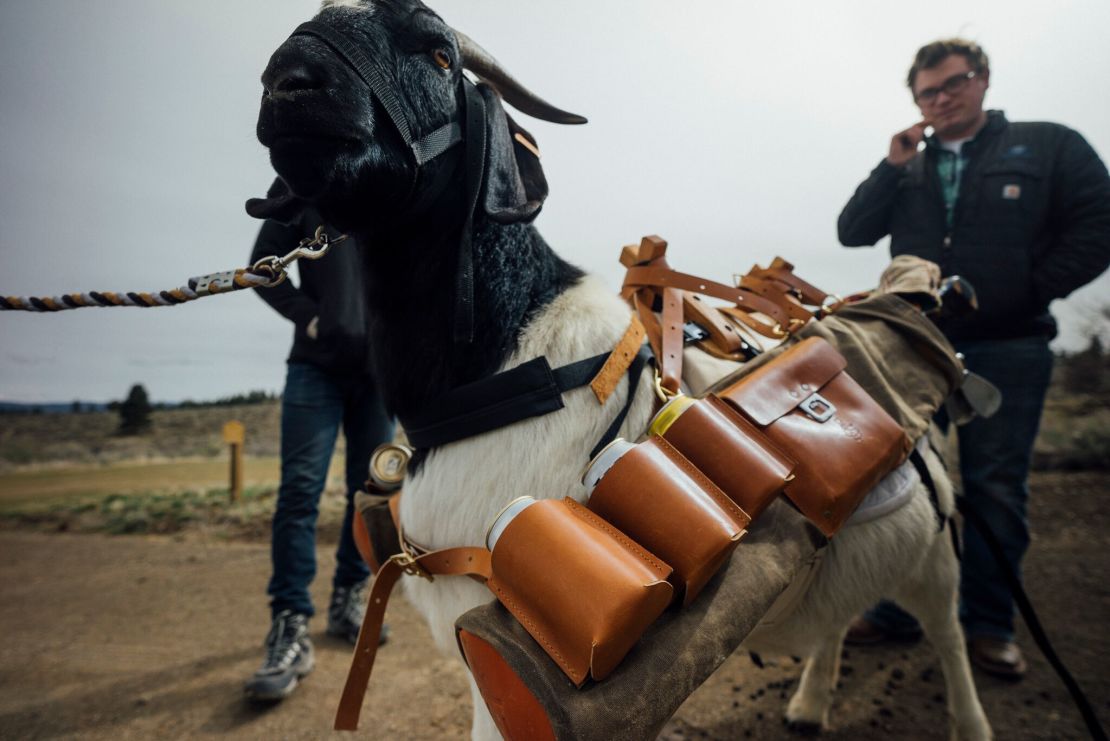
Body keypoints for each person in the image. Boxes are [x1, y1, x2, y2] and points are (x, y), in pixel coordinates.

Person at [837, 38, 1110, 679]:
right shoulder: (909, 165)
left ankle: (989, 625)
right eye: (927, 93)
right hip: (914, 346)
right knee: (901, 479)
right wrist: (890, 164)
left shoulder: (1049, 145)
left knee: (994, 488)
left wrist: (1028, 287)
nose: (941, 99)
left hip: (1011, 344)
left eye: (953, 84)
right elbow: (852, 231)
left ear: (982, 80)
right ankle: (897, 613)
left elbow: (1099, 221)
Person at [243, 206, 394, 701]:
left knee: (369, 495)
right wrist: (310, 318)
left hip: (379, 376)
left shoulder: (395, 175)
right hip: (315, 370)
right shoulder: (300, 181)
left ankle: (348, 599)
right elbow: (262, 263)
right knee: (300, 492)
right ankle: (289, 624)